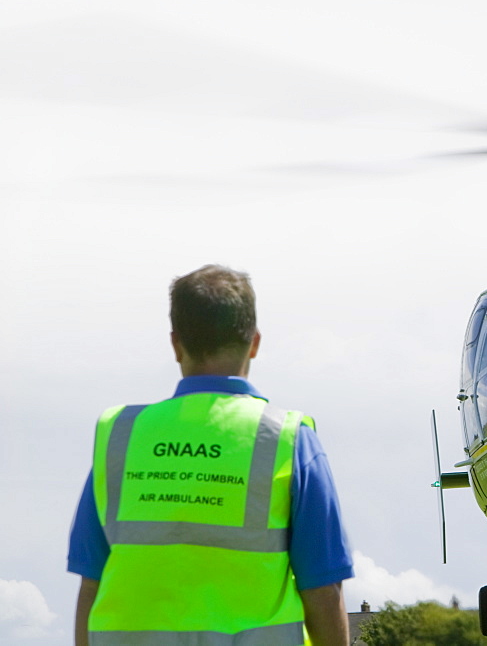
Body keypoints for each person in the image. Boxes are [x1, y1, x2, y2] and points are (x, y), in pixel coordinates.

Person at [68, 265, 353, 645]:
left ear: (175, 344)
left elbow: (92, 582)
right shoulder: (289, 440)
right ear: (254, 342)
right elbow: (324, 590)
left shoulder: (121, 436)